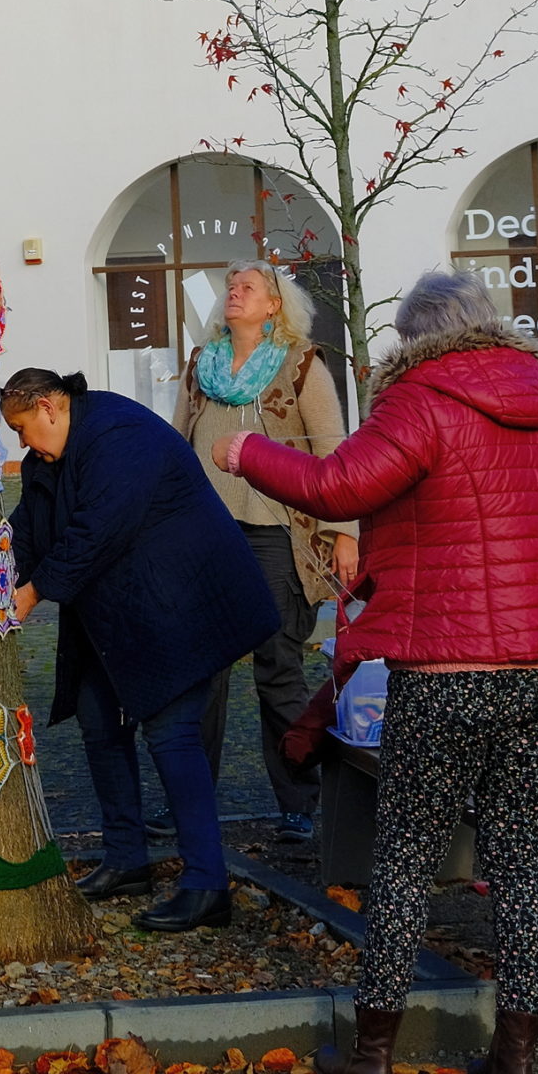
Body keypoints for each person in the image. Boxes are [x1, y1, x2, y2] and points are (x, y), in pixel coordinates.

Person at [212, 269, 538, 1074]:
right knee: (517, 855)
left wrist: (247, 452)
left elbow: (338, 487)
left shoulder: (420, 399)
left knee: (403, 856)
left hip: (447, 665)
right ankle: (515, 1062)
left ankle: (372, 1058)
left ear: (417, 337)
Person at [2, 366, 281, 933]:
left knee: (172, 733)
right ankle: (126, 860)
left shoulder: (117, 433)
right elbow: (27, 530)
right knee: (98, 720)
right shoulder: (45, 461)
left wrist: (30, 594)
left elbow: (96, 530)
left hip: (178, 603)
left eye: (23, 427)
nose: (22, 442)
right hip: (116, 610)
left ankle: (207, 884)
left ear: (51, 408)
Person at [178, 260, 360, 842]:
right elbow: (176, 447)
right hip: (207, 532)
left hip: (278, 533)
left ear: (275, 304)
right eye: (230, 286)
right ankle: (191, 801)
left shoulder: (302, 364)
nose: (234, 293)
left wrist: (347, 533)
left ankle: (298, 804)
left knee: (278, 668)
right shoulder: (199, 366)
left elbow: (334, 454)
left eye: (247, 287)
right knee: (201, 671)